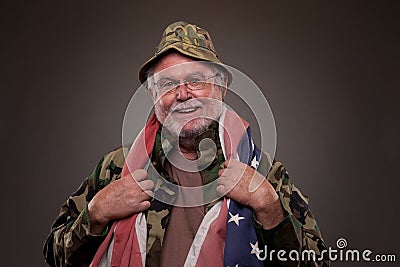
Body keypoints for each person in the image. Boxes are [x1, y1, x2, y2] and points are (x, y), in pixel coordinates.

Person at [44, 21, 330, 267]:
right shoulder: (117, 167)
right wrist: (95, 215)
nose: (182, 94)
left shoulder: (263, 172)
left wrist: (270, 209)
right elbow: (55, 257)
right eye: (168, 84)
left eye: (195, 80)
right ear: (153, 94)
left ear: (220, 87)